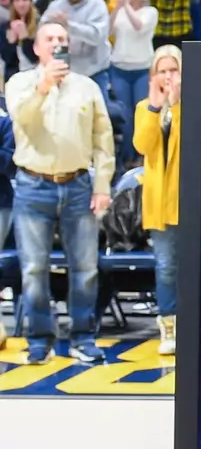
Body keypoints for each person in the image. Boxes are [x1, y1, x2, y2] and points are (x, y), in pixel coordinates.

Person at [3, 19, 115, 364]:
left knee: (85, 268)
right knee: (33, 269)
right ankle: (39, 340)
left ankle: (83, 336)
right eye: (49, 38)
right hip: (32, 186)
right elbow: (21, 119)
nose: (56, 43)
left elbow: (103, 139)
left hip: (79, 185)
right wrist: (44, 85)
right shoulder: (20, 83)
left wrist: (102, 185)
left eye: (62, 39)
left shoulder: (87, 87)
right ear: (37, 48)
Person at [133, 45, 181, 357]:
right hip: (159, 202)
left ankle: (199, 325)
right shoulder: (144, 108)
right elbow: (143, 145)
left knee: (195, 266)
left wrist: (176, 105)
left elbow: (190, 139)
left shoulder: (196, 101)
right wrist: (155, 108)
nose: (167, 76)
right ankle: (169, 324)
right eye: (161, 71)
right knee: (165, 267)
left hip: (187, 198)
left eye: (173, 70)